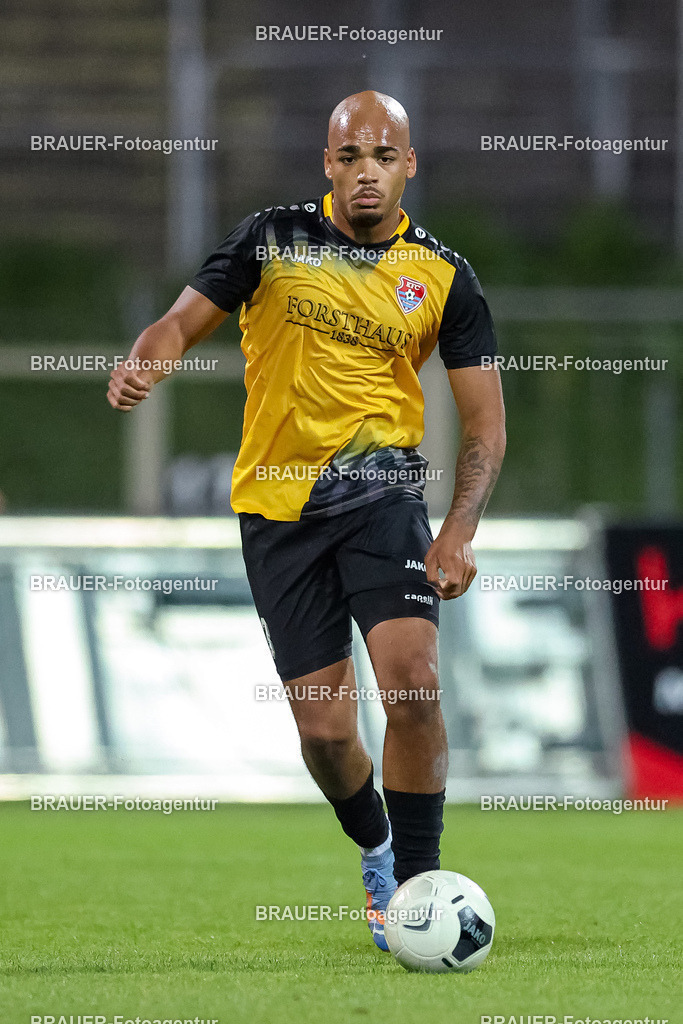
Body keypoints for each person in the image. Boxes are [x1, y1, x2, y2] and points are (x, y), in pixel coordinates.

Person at [107, 90, 506, 951]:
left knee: (412, 678)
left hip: (382, 495)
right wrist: (147, 364)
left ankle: (415, 890)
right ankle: (375, 847)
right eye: (349, 155)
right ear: (327, 165)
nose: (367, 171)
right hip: (277, 510)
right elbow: (181, 322)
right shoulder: (269, 239)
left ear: (409, 167)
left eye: (383, 156)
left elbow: (485, 426)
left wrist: (457, 529)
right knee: (327, 736)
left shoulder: (442, 275)